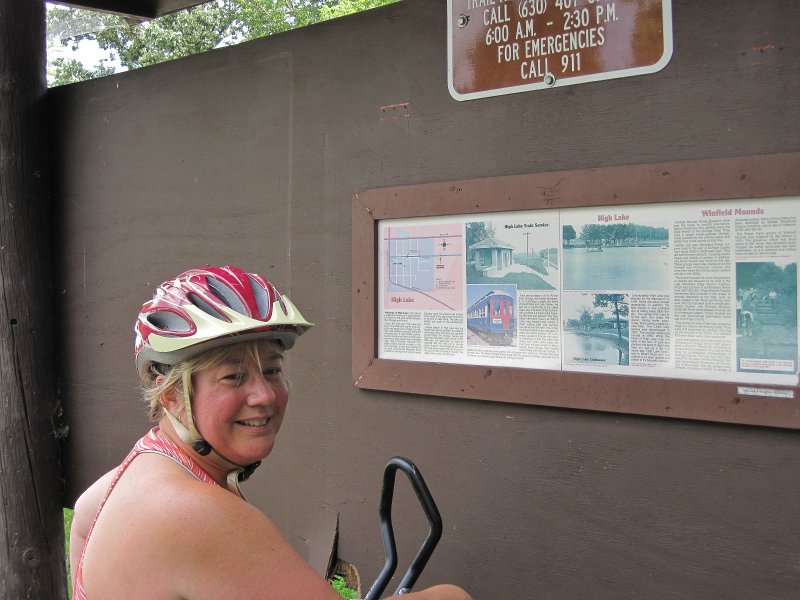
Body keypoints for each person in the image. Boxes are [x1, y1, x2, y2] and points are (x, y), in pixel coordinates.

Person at [70, 265, 471, 600]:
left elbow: (84, 522)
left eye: (273, 370)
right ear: (173, 395)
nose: (264, 394)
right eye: (233, 376)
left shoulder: (130, 477)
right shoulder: (198, 513)